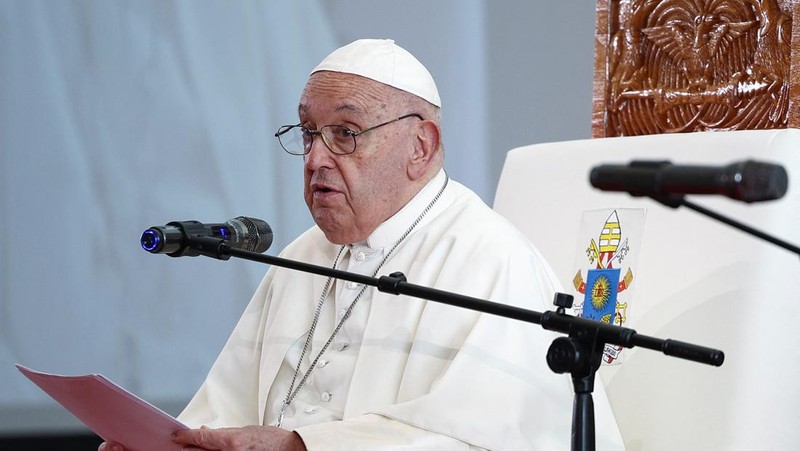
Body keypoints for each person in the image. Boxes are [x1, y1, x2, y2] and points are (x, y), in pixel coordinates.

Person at [101, 38, 623, 450]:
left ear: (423, 146)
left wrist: (304, 448)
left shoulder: (488, 258)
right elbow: (224, 409)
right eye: (308, 133)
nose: (315, 159)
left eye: (345, 134)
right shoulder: (302, 258)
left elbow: (484, 439)